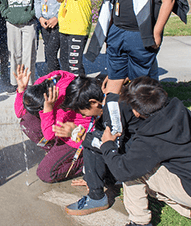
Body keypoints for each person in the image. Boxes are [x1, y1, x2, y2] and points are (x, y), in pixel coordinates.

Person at [100, 77, 191, 226]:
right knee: (148, 178)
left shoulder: (152, 136)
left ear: (135, 112)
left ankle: (139, 222)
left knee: (133, 173)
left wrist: (107, 145)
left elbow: (123, 171)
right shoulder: (181, 111)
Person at [57, 75, 137, 216]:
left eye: (82, 112)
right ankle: (97, 182)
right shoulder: (105, 102)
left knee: (90, 143)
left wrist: (77, 134)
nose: (83, 116)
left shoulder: (113, 109)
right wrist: (91, 175)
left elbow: (112, 146)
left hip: (135, 159)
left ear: (93, 102)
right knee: (91, 138)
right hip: (126, 152)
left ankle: (97, 197)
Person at [14, 65, 93, 183]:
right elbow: (20, 112)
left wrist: (48, 110)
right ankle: (55, 152)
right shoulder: (44, 85)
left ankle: (87, 162)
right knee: (27, 121)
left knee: (45, 173)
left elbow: (48, 135)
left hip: (77, 134)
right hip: (61, 124)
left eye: (40, 111)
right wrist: (22, 89)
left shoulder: (64, 98)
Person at [55, 0, 93, 77]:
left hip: (78, 26)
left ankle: (80, 92)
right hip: (65, 25)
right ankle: (69, 89)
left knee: (74, 65)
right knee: (65, 63)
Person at [0, 0, 37, 86]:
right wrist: (8, 15)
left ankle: (30, 82)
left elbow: (36, 2)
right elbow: (2, 4)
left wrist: (31, 14)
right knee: (15, 54)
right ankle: (16, 83)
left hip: (29, 24)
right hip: (12, 24)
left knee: (29, 54)